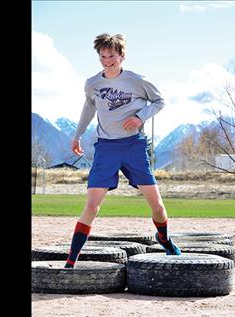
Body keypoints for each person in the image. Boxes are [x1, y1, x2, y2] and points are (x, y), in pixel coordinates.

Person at [64, 33, 181, 269]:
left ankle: (164, 239)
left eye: (112, 56)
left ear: (122, 56)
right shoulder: (93, 84)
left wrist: (140, 117)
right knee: (91, 206)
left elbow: (159, 101)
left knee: (157, 205)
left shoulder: (137, 80)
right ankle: (71, 260)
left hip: (134, 146)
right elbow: (88, 107)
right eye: (103, 56)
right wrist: (76, 135)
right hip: (106, 148)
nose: (107, 61)